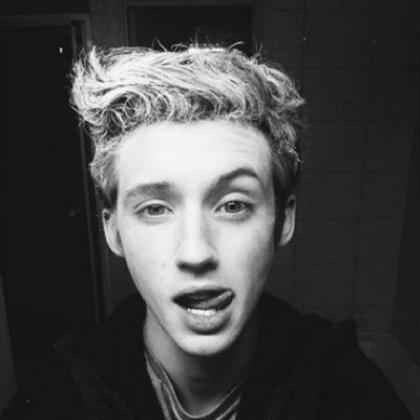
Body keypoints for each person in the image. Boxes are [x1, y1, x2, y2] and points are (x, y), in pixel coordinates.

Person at [5, 45, 411, 420]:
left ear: (283, 220)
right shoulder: (56, 396)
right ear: (113, 230)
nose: (196, 253)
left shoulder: (346, 389)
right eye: (155, 209)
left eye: (233, 205)